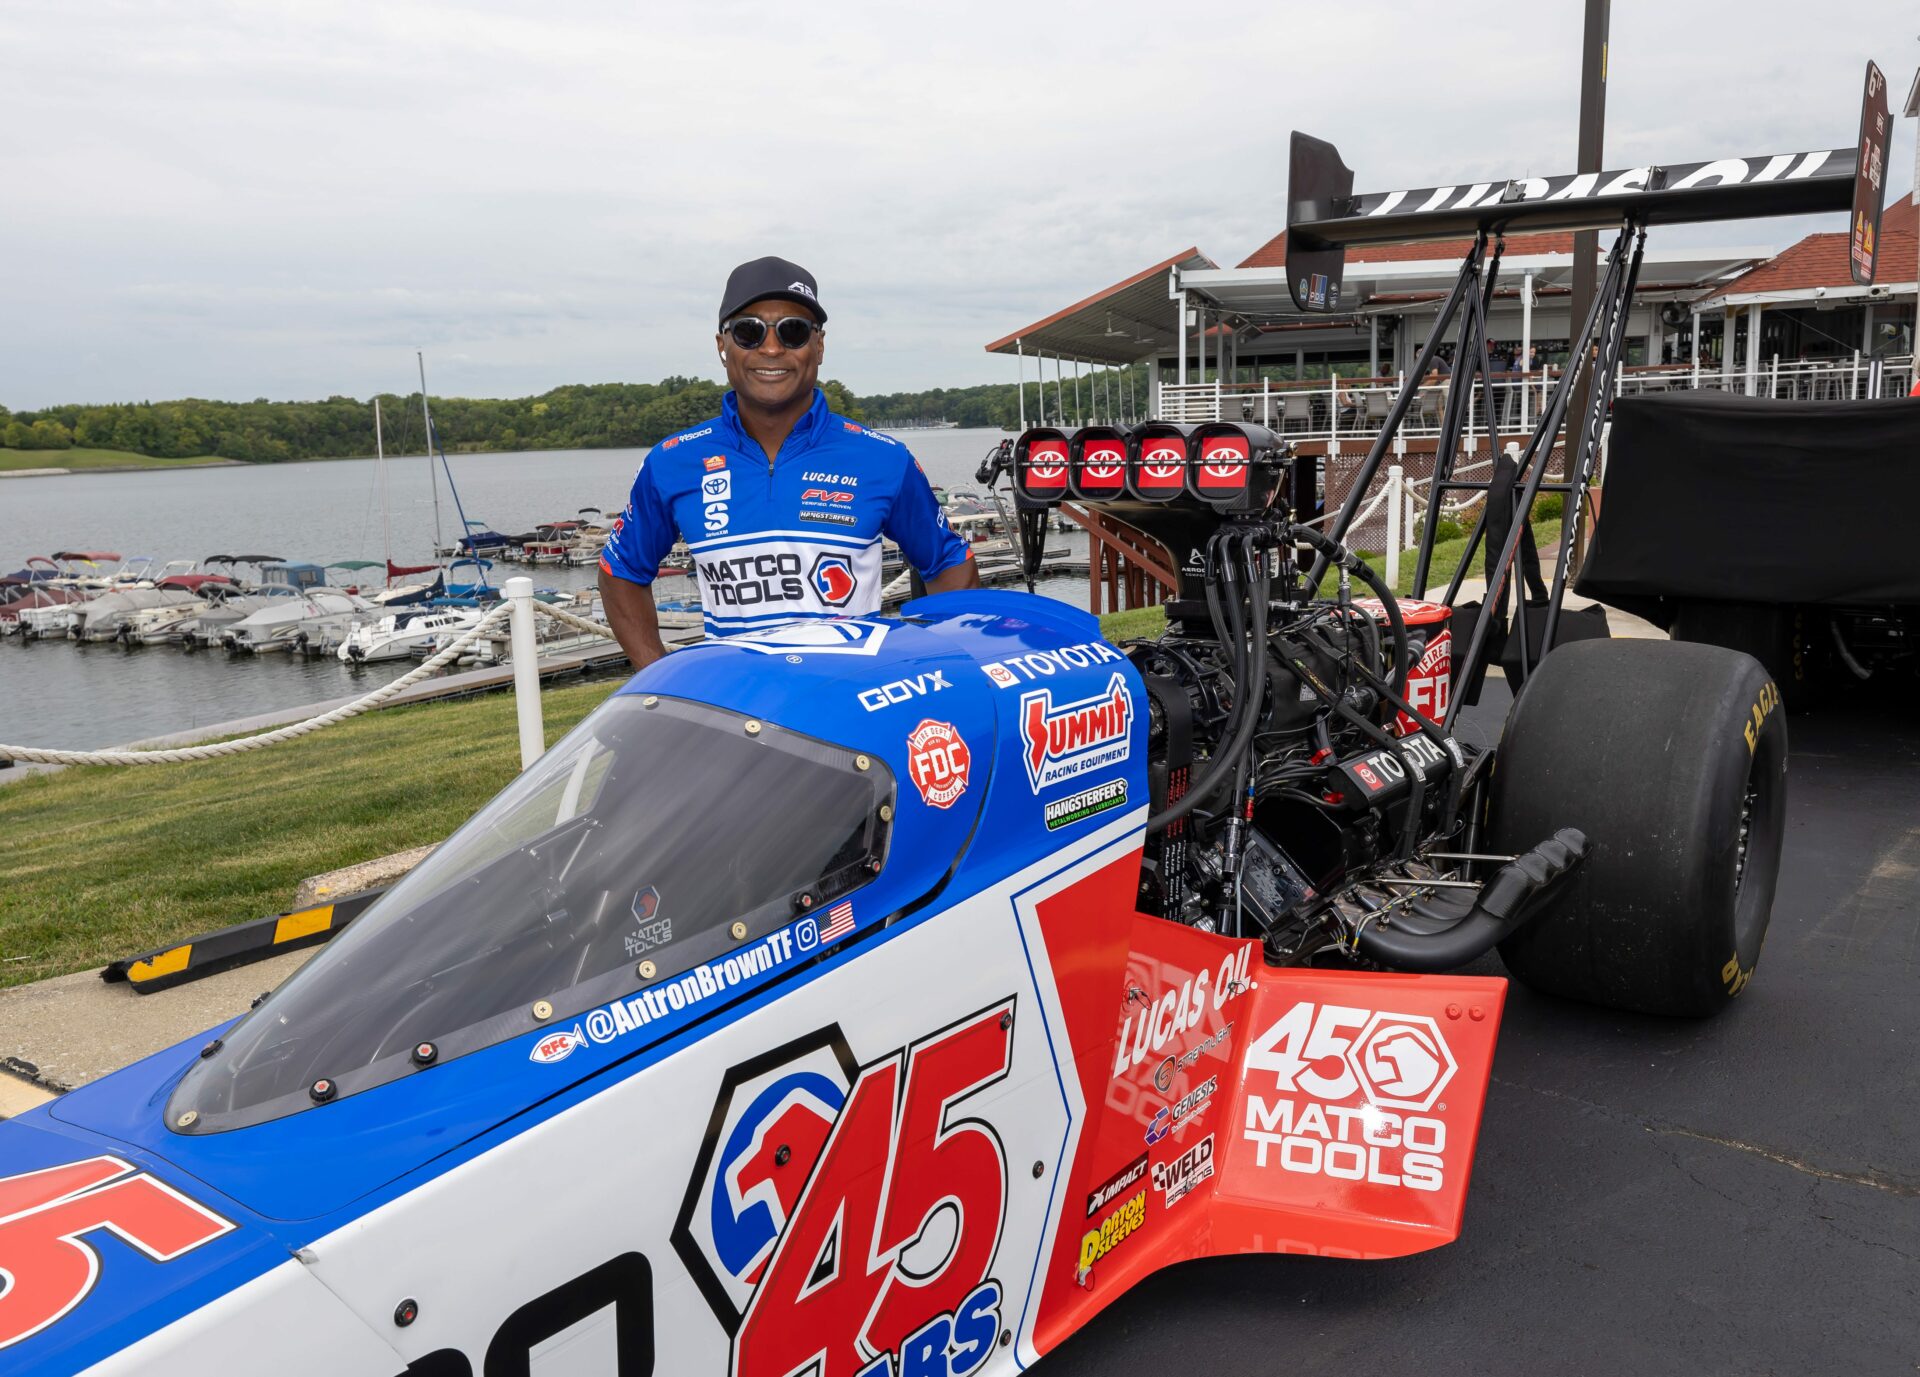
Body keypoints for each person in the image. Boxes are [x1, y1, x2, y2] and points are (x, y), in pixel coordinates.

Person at [598, 257, 980, 668]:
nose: (772, 348)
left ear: (819, 345)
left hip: (850, 708)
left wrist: (943, 670)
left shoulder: (883, 458)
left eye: (793, 331)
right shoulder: (673, 460)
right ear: (722, 346)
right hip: (732, 710)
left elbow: (949, 565)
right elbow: (620, 572)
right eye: (749, 332)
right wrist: (658, 675)